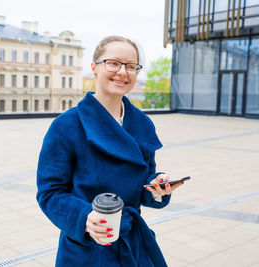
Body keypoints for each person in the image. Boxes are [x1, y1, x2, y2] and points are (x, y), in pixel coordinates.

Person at [36, 36, 183, 267]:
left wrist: (157, 187)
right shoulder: (66, 125)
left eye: (131, 66)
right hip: (87, 250)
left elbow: (144, 179)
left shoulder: (142, 123)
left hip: (132, 244)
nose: (122, 72)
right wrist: (85, 218)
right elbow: (50, 193)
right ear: (94, 68)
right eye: (113, 63)